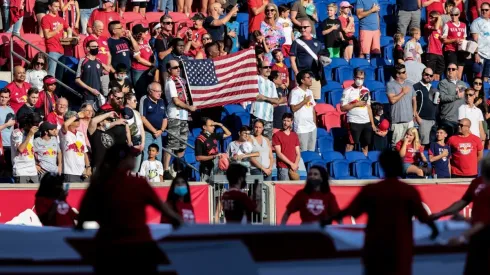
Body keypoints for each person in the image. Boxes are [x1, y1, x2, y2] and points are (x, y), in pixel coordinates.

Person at [322, 149, 439, 275]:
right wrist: (434, 229)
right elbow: (423, 216)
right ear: (400, 165)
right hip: (400, 247)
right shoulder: (409, 191)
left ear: (382, 165)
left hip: (375, 246)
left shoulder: (371, 190)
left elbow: (351, 211)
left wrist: (329, 219)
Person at [76, 144, 183, 275]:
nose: (134, 159)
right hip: (139, 248)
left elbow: (83, 217)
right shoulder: (137, 184)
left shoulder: (99, 183)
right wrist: (179, 221)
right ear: (124, 160)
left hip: (108, 249)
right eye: (132, 156)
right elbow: (164, 209)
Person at [447, 156, 490, 275]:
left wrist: (462, 237)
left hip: (483, 246)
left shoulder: (486, 192)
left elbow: (483, 223)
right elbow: (485, 219)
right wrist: (464, 219)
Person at [163, 60, 196, 180]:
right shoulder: (170, 82)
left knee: (182, 145)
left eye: (179, 67)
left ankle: (176, 167)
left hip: (184, 115)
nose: (178, 69)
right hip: (174, 114)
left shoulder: (181, 80)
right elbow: (176, 101)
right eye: (175, 67)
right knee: (172, 143)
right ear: (169, 70)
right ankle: (166, 169)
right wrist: (189, 107)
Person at [341, 68, 375, 155]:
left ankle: (365, 163)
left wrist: (372, 124)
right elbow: (342, 108)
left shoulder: (366, 90)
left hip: (366, 122)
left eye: (362, 78)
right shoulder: (347, 90)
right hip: (354, 122)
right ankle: (347, 163)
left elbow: (369, 108)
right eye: (358, 78)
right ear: (354, 77)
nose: (360, 80)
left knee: (365, 145)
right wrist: (355, 104)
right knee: (350, 145)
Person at [290, 19, 322, 100]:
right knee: (301, 100)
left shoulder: (317, 42)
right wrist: (297, 73)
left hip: (315, 76)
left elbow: (320, 58)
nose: (303, 29)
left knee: (314, 101)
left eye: (305, 27)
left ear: (310, 28)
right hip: (302, 76)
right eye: (301, 27)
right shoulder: (296, 42)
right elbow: (292, 60)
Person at [387, 64, 417, 147]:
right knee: (396, 146)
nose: (406, 73)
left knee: (409, 146)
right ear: (397, 74)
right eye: (403, 72)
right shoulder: (391, 85)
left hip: (409, 121)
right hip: (397, 123)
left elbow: (414, 99)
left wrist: (414, 112)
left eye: (405, 71)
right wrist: (403, 92)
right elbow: (392, 100)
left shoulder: (410, 85)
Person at [195, 117, 232, 182]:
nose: (214, 127)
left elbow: (228, 133)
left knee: (217, 188)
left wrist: (220, 125)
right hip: (206, 168)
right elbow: (198, 157)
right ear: (204, 127)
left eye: (214, 125)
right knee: (207, 187)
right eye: (211, 125)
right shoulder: (199, 139)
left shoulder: (213, 135)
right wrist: (214, 156)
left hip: (216, 166)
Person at [251, 60, 280, 140]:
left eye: (270, 67)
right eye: (265, 67)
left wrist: (265, 98)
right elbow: (256, 96)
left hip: (269, 118)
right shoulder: (255, 79)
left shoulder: (272, 84)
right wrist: (270, 99)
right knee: (255, 141)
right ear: (259, 69)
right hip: (257, 115)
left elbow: (276, 101)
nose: (268, 69)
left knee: (267, 143)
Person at [41, 0, 71, 76]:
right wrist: (57, 29)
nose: (58, 9)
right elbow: (47, 35)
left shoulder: (60, 19)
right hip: (52, 50)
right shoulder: (46, 18)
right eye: (55, 6)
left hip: (61, 50)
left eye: (58, 7)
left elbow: (68, 28)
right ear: (50, 7)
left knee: (60, 76)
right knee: (51, 74)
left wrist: (71, 34)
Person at [139, 82, 167, 162]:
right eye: (157, 91)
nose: (159, 93)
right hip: (147, 133)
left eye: (160, 91)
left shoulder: (161, 101)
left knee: (158, 156)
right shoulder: (144, 99)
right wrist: (154, 131)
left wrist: (161, 130)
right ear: (150, 91)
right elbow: (142, 118)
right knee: (146, 156)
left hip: (159, 133)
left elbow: (165, 118)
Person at [289, 70, 317, 151]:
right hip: (301, 128)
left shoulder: (310, 92)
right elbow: (293, 108)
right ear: (302, 80)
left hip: (311, 127)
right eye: (308, 78)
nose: (311, 79)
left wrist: (314, 125)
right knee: (303, 152)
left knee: (311, 152)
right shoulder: (295, 92)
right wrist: (304, 101)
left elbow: (313, 109)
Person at [61, 111, 91, 182]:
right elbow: (65, 124)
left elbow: (85, 153)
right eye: (76, 120)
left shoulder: (80, 134)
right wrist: (77, 115)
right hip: (70, 173)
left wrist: (88, 167)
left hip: (82, 173)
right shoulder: (64, 133)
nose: (79, 121)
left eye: (79, 119)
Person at [439, 63, 467, 136]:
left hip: (461, 119)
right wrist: (456, 96)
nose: (450, 71)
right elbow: (442, 97)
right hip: (448, 118)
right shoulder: (443, 83)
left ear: (457, 71)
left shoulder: (463, 83)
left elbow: (466, 99)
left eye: (453, 69)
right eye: (449, 69)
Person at [11, 113, 41, 183]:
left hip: (33, 171)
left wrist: (35, 164)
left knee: (34, 193)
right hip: (21, 171)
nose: (35, 128)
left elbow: (30, 150)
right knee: (22, 194)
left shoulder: (31, 133)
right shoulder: (16, 132)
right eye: (33, 125)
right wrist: (29, 135)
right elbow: (20, 149)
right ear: (27, 123)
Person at [413, 67, 439, 148]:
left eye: (431, 76)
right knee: (421, 144)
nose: (428, 77)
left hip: (432, 120)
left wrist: (437, 101)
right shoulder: (416, 87)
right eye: (426, 74)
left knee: (431, 145)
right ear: (422, 74)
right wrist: (417, 117)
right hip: (422, 119)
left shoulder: (433, 88)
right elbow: (412, 103)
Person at [273, 113, 301, 180]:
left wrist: (295, 164)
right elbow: (279, 154)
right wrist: (291, 164)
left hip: (294, 167)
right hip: (283, 167)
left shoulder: (294, 135)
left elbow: (298, 153)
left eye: (288, 121)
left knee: (295, 188)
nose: (285, 123)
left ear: (291, 122)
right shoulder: (277, 135)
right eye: (284, 120)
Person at [442, 7, 467, 79]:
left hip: (460, 51)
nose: (453, 16)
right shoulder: (447, 25)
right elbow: (444, 40)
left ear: (459, 15)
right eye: (452, 15)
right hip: (450, 50)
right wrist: (454, 40)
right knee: (452, 73)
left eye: (455, 15)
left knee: (459, 74)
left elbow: (464, 38)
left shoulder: (463, 25)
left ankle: (458, 88)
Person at [471, 2, 490, 82]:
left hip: (489, 54)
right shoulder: (476, 22)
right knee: (478, 77)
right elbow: (475, 40)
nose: (484, 11)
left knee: (486, 77)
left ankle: (485, 94)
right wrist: (476, 53)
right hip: (480, 54)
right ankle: (476, 94)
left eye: (486, 10)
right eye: (483, 10)